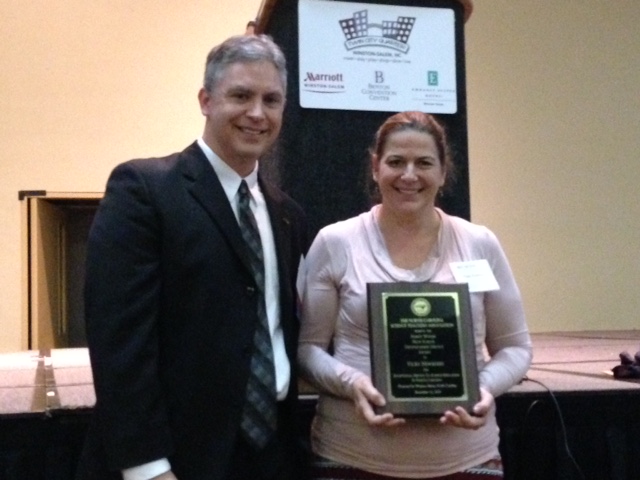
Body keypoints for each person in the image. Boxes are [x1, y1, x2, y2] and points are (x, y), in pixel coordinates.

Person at [76, 34, 309, 480]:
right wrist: (148, 467)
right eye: (240, 96)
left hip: (271, 456)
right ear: (205, 100)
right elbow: (120, 342)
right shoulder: (143, 191)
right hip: (174, 460)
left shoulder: (288, 216)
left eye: (271, 100)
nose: (257, 113)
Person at [297, 111, 532, 479]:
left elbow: (516, 348)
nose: (409, 175)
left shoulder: (480, 243)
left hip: (467, 461)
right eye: (396, 162)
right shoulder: (335, 242)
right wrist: (353, 383)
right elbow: (307, 350)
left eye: (423, 163)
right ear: (375, 167)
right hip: (351, 457)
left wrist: (482, 389)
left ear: (443, 171)